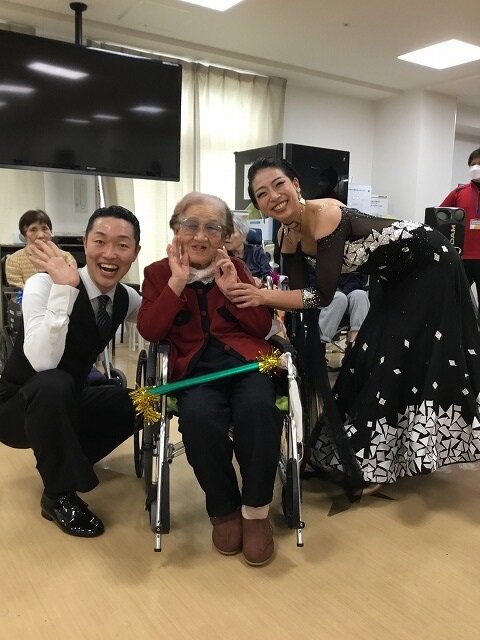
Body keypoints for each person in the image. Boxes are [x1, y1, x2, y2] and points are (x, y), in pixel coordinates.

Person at [226, 156, 480, 496]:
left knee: (392, 357)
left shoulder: (325, 214)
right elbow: (299, 297)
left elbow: (321, 296)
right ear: (258, 205)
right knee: (366, 356)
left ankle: (379, 461)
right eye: (262, 193)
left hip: (430, 263)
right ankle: (362, 451)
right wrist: (267, 304)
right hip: (393, 278)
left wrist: (262, 296)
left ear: (296, 185)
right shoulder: (288, 237)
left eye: (279, 184)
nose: (273, 196)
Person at [137, 192, 283, 566]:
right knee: (199, 419)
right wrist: (176, 284)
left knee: (259, 410)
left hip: (246, 365)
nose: (200, 236)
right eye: (191, 225)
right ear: (176, 229)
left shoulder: (236, 267)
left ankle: (255, 512)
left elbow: (262, 328)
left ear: (224, 236)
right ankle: (224, 510)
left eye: (212, 228)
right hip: (194, 373)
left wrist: (232, 291)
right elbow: (151, 330)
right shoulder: (157, 273)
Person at [0, 205, 142, 537]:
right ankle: (58, 495)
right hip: (17, 408)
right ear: (85, 243)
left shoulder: (126, 298)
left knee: (140, 402)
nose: (110, 253)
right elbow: (42, 363)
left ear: (135, 253)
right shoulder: (42, 284)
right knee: (53, 382)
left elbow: (158, 323)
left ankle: (67, 460)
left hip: (70, 398)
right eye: (100, 241)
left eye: (122, 245)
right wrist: (65, 290)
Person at [439, 147, 480, 298]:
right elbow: (438, 216)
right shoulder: (458, 192)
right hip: (462, 258)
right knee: (456, 300)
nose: (476, 168)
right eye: (473, 164)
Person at [5, 209, 75, 289]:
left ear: (51, 231)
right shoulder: (14, 261)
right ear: (24, 235)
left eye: (44, 229)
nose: (41, 235)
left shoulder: (66, 257)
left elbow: (71, 288)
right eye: (33, 230)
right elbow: (17, 292)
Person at [224, 211, 277, 287]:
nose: (226, 236)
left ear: (243, 235)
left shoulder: (257, 252)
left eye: (231, 232)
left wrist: (261, 282)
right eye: (224, 232)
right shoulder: (223, 256)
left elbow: (269, 275)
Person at [318, 272, 370, 347]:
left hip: (348, 292)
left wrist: (344, 292)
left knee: (360, 296)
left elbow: (358, 280)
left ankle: (355, 345)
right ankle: (320, 344)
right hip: (324, 294)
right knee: (339, 298)